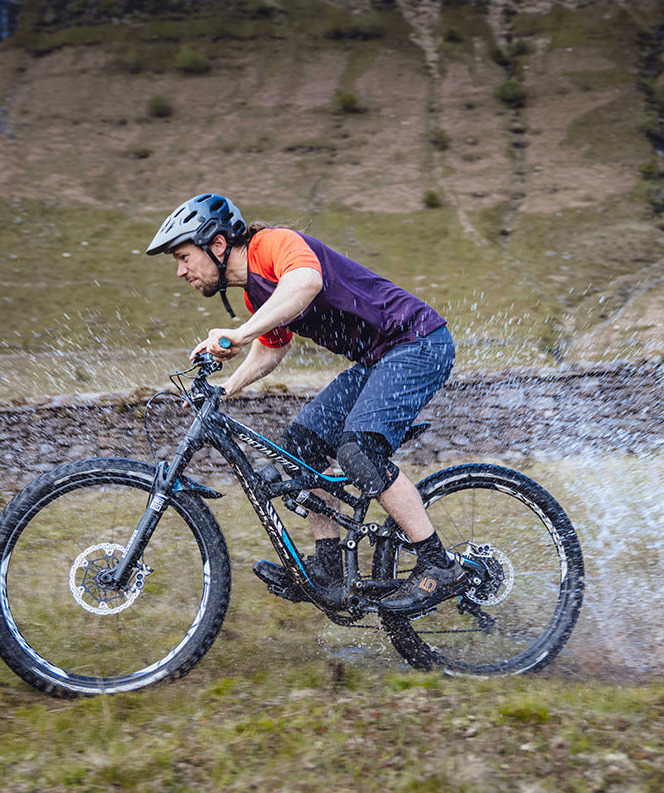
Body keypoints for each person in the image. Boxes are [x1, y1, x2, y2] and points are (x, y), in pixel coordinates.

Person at [147, 192, 465, 613]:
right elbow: (272, 348)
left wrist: (238, 335)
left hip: (417, 343)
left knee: (359, 451)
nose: (180, 271)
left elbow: (306, 281)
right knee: (301, 447)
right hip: (379, 359)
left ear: (218, 245)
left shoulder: (273, 245)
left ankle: (438, 565)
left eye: (184, 256)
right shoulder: (256, 295)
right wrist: (227, 389)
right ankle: (329, 567)